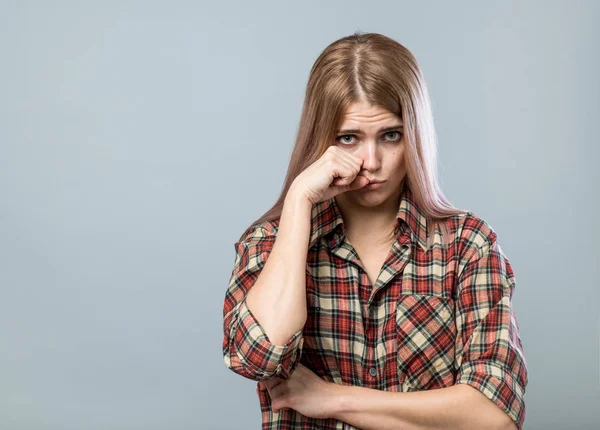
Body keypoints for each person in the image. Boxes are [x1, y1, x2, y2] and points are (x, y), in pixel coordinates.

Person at [221, 31, 528, 430]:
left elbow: (496, 414)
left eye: (390, 135)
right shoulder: (268, 244)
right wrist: (298, 200)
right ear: (320, 140)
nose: (371, 161)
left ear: (414, 136)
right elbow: (255, 356)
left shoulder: (467, 245)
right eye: (348, 138)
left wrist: (333, 399)